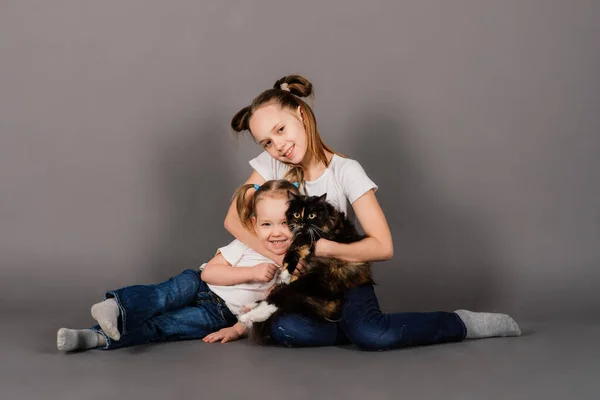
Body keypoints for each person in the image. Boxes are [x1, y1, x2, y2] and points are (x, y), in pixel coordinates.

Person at [225, 74, 521, 350]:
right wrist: (284, 258)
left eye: (280, 130)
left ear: (300, 115)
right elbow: (233, 220)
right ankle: (353, 327)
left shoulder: (345, 171)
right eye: (267, 142)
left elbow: (383, 246)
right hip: (309, 284)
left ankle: (460, 323)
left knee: (374, 335)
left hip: (344, 275)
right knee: (286, 329)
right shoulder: (274, 164)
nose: (278, 145)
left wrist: (323, 249)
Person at [57, 180, 300, 351]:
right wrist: (251, 273)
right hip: (198, 285)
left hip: (218, 315)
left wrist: (237, 330)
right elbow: (209, 273)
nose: (276, 233)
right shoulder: (248, 244)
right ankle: (114, 306)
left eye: (285, 223)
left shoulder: (292, 268)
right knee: (161, 297)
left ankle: (92, 337)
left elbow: (267, 307)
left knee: (164, 327)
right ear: (254, 224)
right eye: (267, 224)